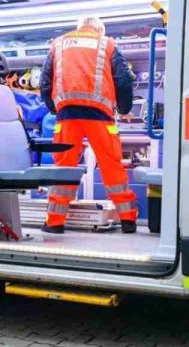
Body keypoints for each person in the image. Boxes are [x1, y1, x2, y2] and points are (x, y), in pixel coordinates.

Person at [40, 17, 138, 234]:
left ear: (80, 27)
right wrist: (124, 109)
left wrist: (54, 108)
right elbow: (123, 80)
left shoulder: (58, 44)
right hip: (100, 116)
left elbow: (45, 82)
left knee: (63, 168)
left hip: (67, 116)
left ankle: (55, 222)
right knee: (112, 166)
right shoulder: (107, 44)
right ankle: (128, 221)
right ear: (99, 29)